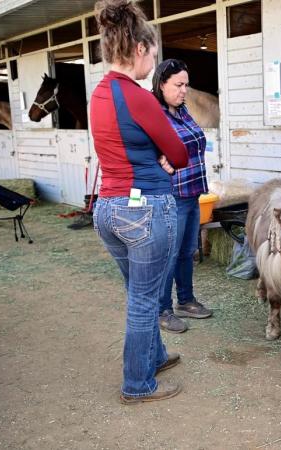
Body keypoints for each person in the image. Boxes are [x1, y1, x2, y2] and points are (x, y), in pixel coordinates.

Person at [90, 0, 188, 404]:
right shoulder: (139, 96)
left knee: (138, 292)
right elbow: (179, 155)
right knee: (145, 301)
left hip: (107, 209)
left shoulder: (98, 93)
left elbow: (121, 145)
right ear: (138, 50)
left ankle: (155, 356)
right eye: (152, 53)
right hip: (144, 209)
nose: (154, 62)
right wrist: (161, 157)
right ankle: (137, 384)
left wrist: (152, 153)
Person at [153, 59, 213, 334]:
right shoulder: (155, 116)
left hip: (191, 192)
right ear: (162, 83)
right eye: (178, 85)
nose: (183, 90)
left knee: (187, 251)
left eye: (186, 85)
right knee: (170, 253)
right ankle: (162, 309)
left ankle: (185, 300)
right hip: (171, 195)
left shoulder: (183, 111)